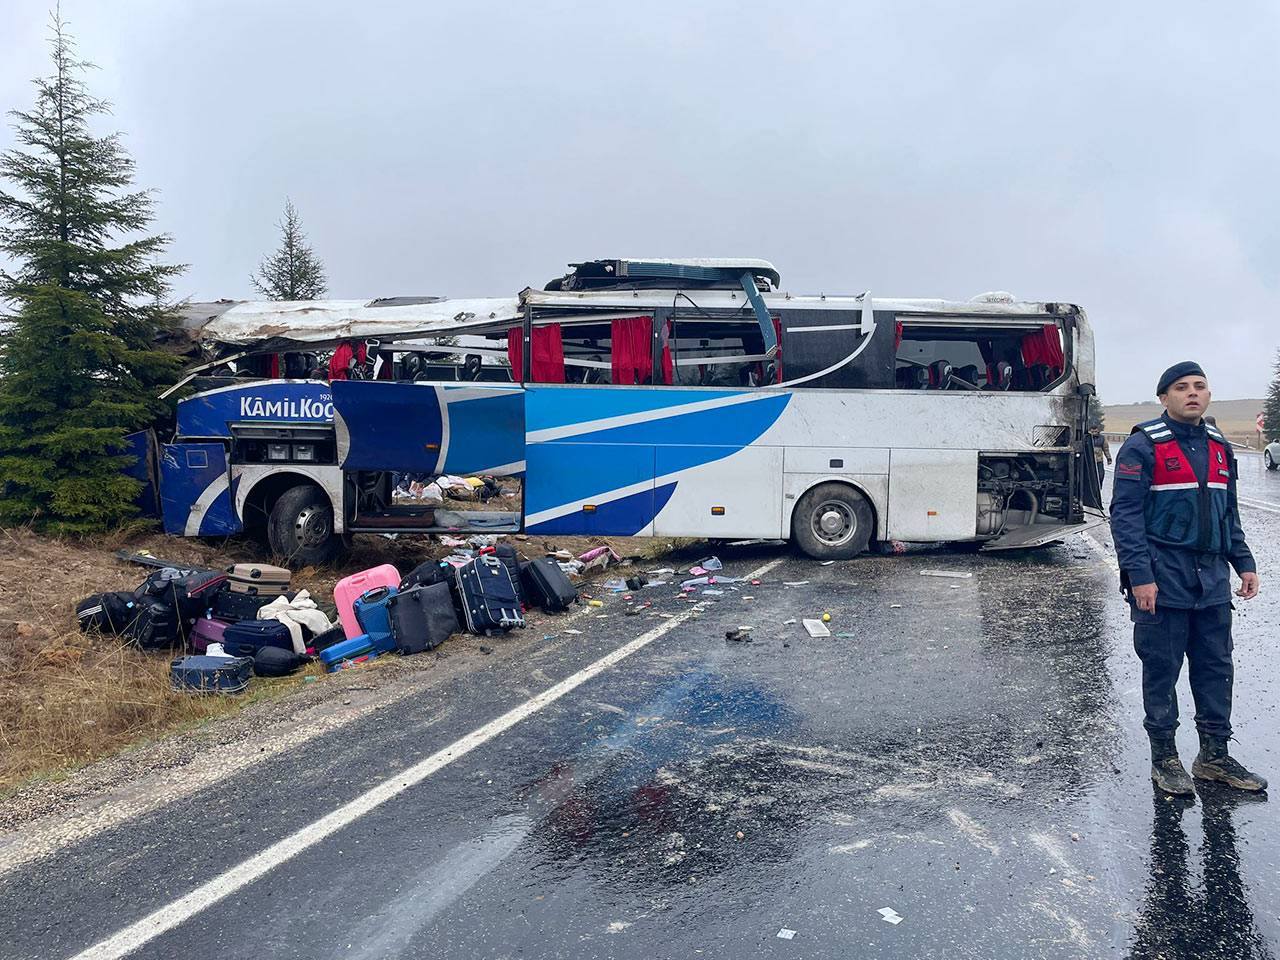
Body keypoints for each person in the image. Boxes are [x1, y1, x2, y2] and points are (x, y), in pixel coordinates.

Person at [1110, 361, 1265, 795]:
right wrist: (1140, 575)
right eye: (1181, 387)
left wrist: (1244, 561)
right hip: (1163, 580)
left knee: (1216, 668)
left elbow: (1227, 512)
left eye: (1199, 386)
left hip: (1211, 581)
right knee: (1161, 670)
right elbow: (1125, 518)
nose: (1192, 393)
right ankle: (1165, 758)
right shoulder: (1143, 447)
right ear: (1164, 398)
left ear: (1209, 396)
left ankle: (1214, 756)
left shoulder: (1219, 447)